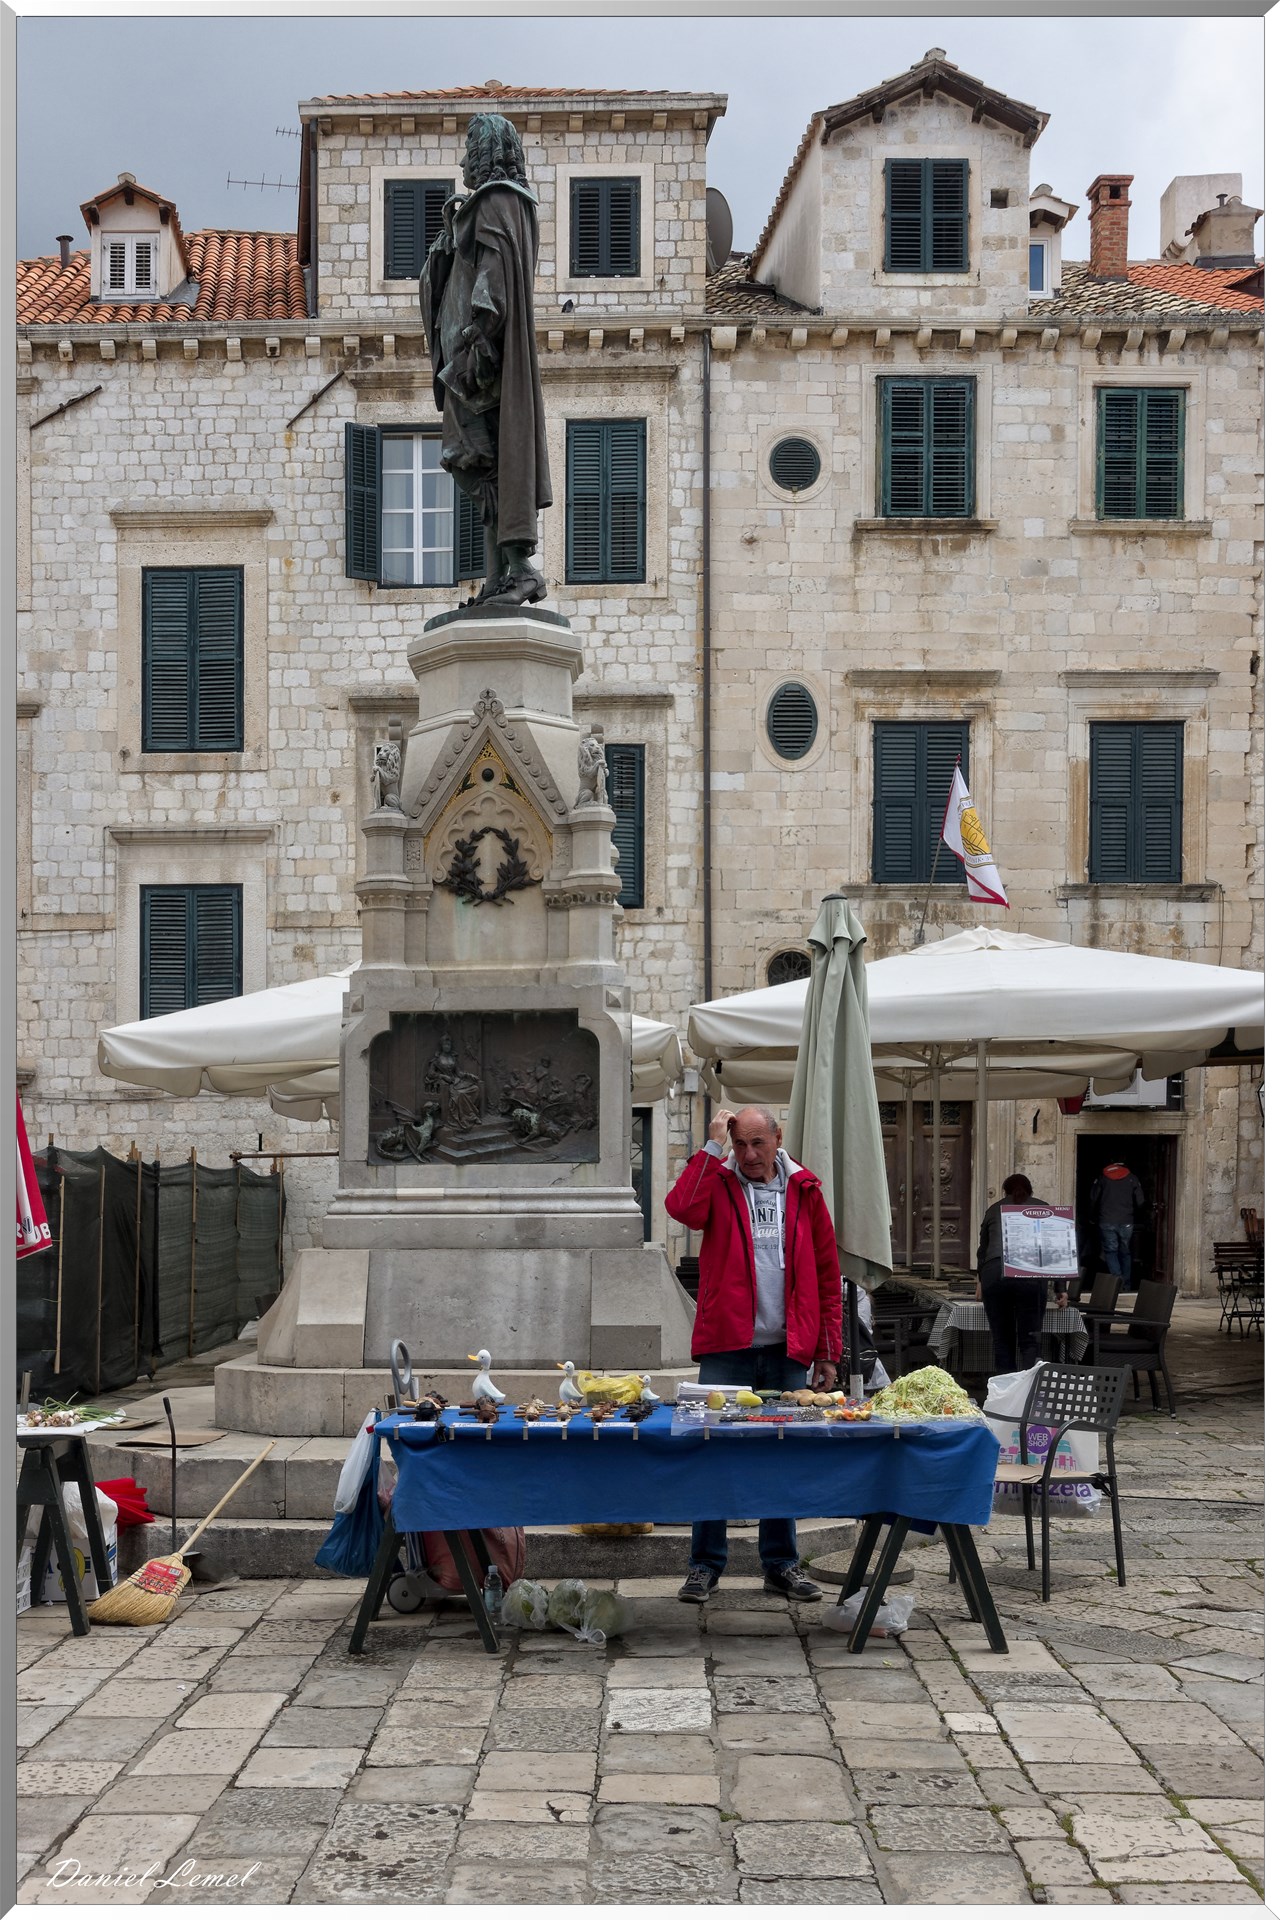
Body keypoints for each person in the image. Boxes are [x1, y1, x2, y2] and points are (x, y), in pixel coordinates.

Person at [664, 1104, 842, 1604]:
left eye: (757, 1144)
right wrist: (711, 1146)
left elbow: (828, 1274)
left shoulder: (805, 1190)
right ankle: (704, 1565)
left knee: (780, 1457)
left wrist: (827, 1350)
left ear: (777, 1138)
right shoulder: (719, 1181)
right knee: (711, 1455)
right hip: (726, 1345)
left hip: (788, 1350)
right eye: (740, 1144)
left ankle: (781, 1564)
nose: (748, 1155)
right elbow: (681, 1209)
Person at [419, 113, 552, 610]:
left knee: (493, 460)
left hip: (483, 364)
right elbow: (458, 272)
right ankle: (498, 578)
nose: (460, 160)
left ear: (484, 152)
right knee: (479, 462)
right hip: (468, 366)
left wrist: (479, 339)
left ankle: (520, 570)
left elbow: (494, 277)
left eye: (466, 150)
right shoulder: (486, 206)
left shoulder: (500, 201)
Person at [977, 1173, 1069, 1373]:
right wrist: (1061, 1288)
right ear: (1030, 1191)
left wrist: (981, 1281)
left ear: (1004, 1192)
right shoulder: (1044, 1208)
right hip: (1029, 1276)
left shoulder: (993, 1209)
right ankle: (1028, 1393)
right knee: (1030, 1340)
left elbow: (982, 1252)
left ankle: (1004, 1396)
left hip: (995, 1274)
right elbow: (1056, 1251)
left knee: (1002, 1339)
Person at [1090, 1159, 1144, 1284]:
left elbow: (1093, 1198)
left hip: (1107, 1219)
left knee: (1111, 1251)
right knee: (1125, 1251)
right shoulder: (1132, 1178)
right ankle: (1126, 1283)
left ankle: (1117, 1281)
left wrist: (1092, 1216)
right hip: (1126, 1220)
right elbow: (1140, 1201)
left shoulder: (1103, 1178)